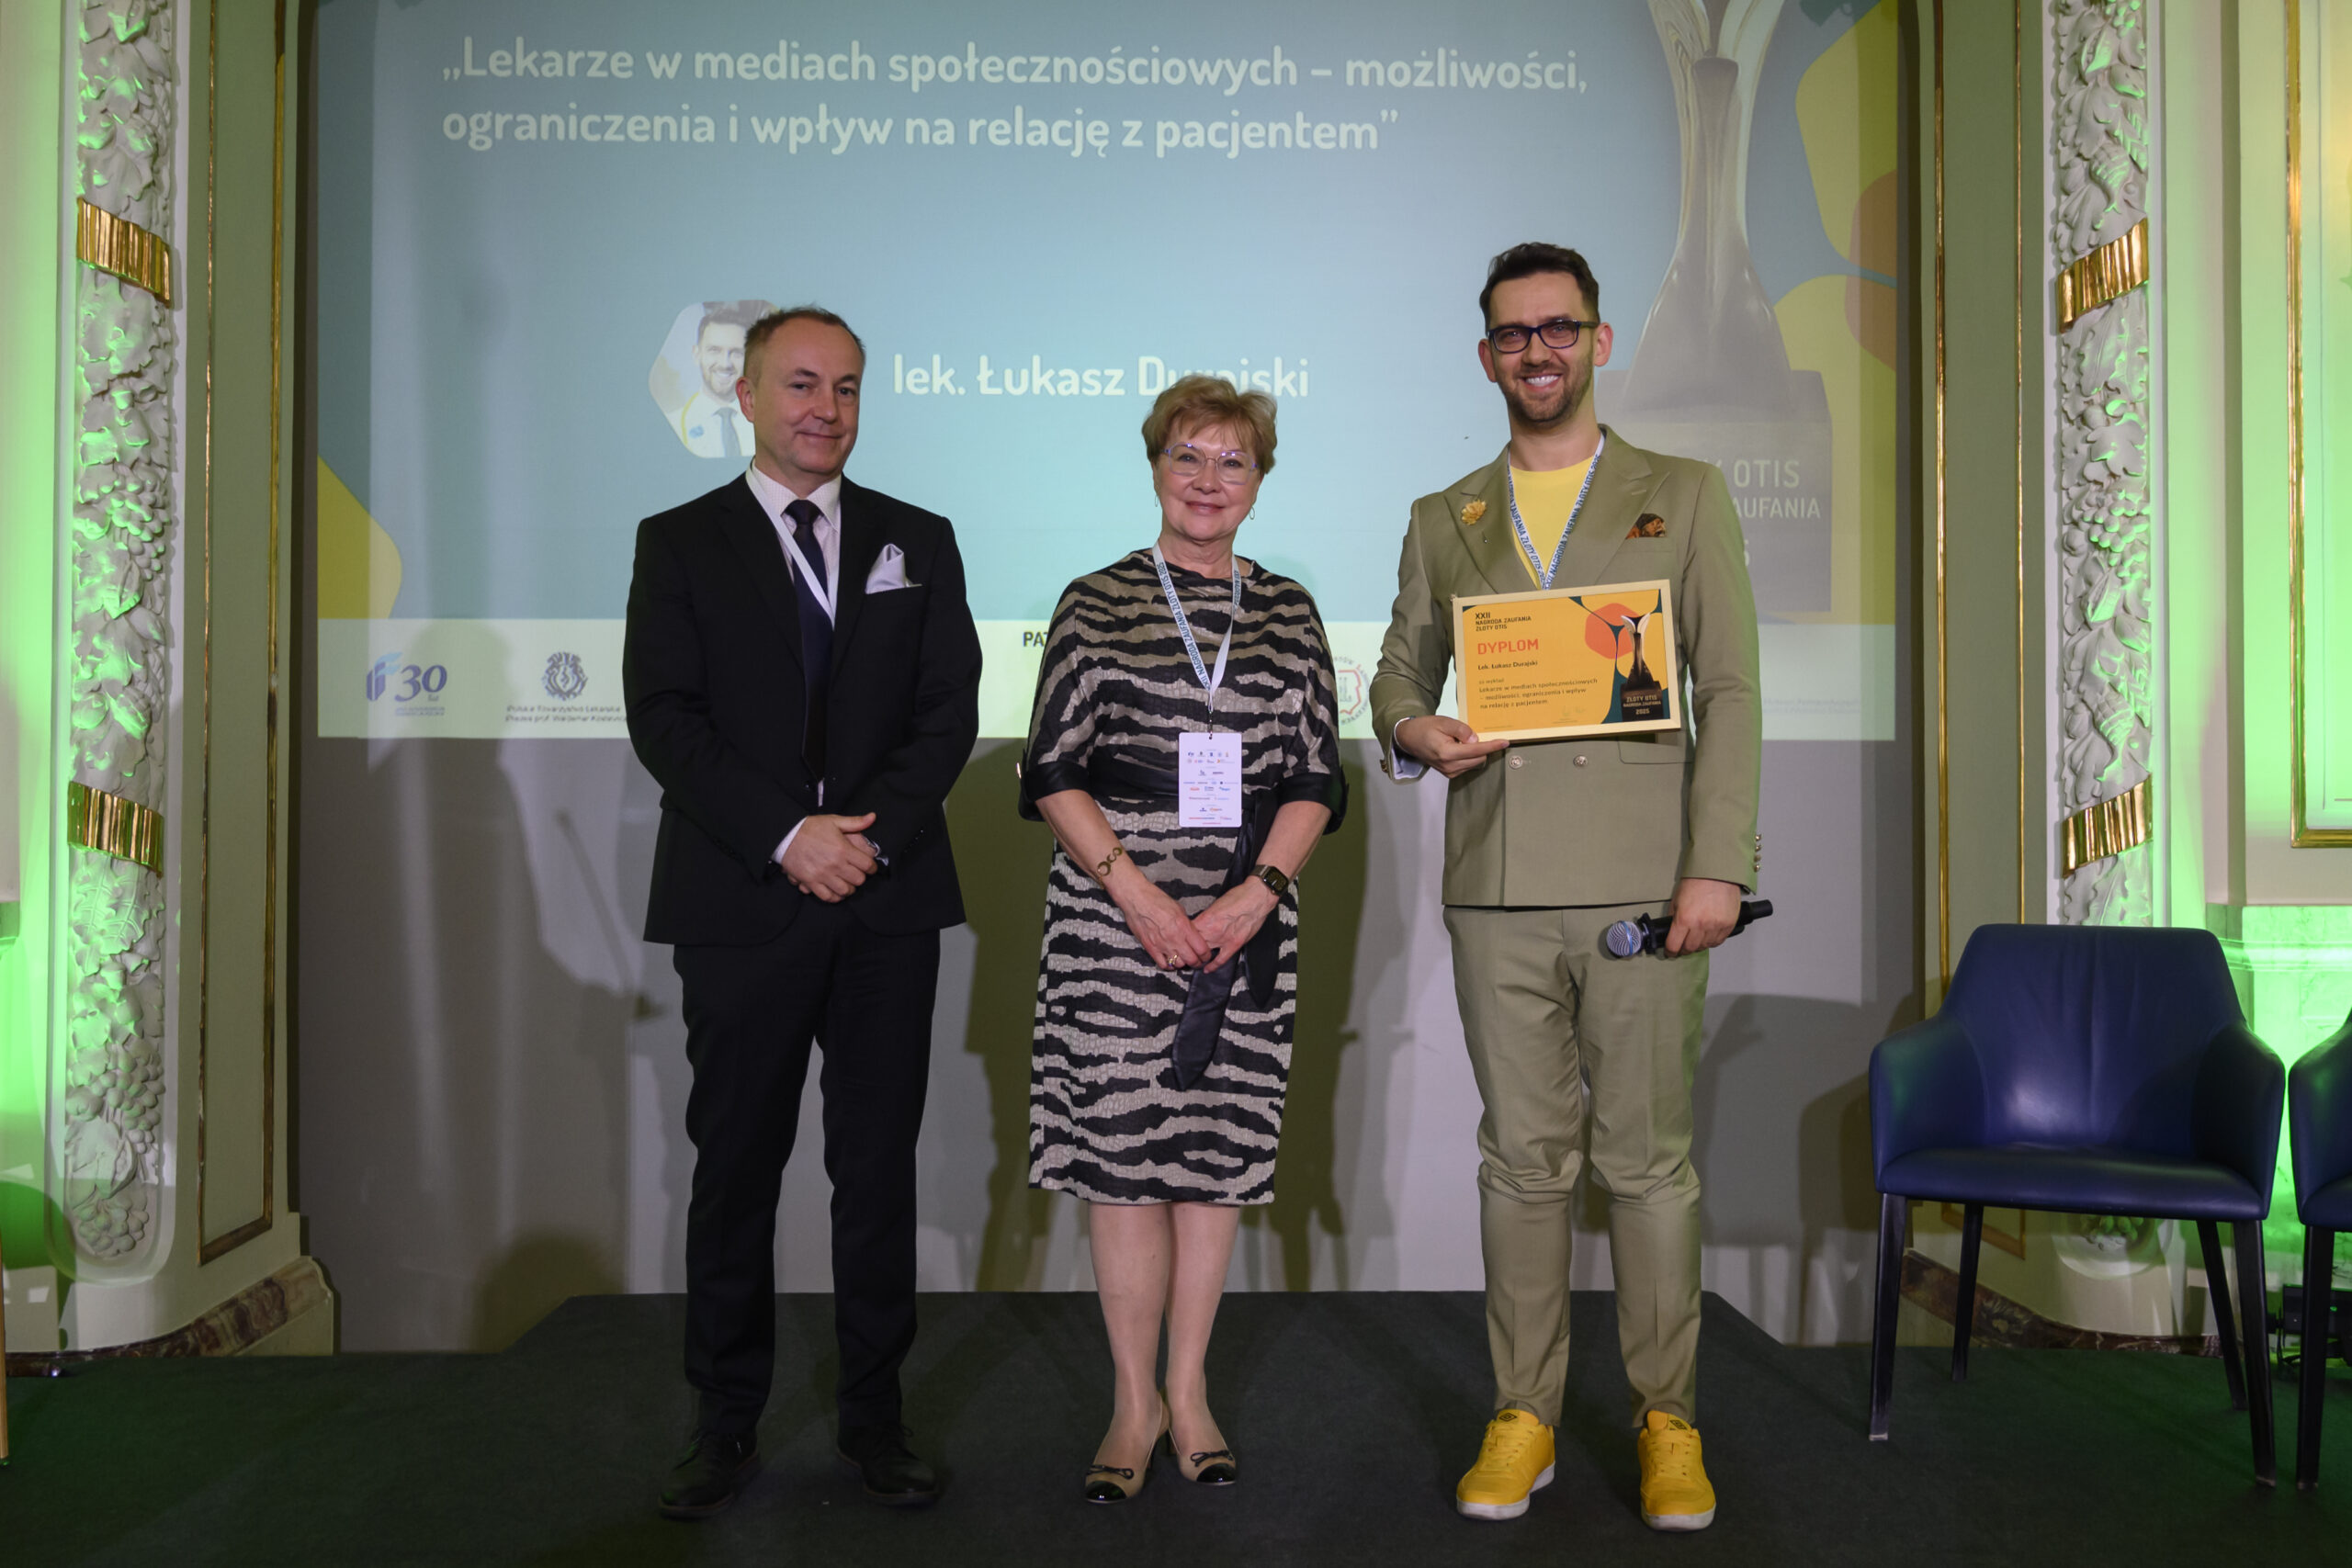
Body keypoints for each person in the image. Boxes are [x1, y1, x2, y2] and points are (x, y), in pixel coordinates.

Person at [1370, 243, 1761, 1531]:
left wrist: (1717, 863)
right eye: (1512, 334)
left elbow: (1730, 688)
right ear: (1485, 356)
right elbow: (1398, 673)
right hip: (1497, 884)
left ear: (1598, 340)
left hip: (1647, 886)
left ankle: (1667, 1417)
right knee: (1523, 1163)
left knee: (1646, 1166)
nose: (1535, 351)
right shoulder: (1445, 515)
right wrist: (1413, 727)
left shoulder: (1683, 493)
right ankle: (1523, 1412)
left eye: (1557, 328)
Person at [624, 304, 982, 1519]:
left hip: (885, 903)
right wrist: (790, 836)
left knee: (875, 1172)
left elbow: (946, 712)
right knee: (735, 1172)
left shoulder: (919, 538)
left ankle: (875, 1421)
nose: (825, 408)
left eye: (846, 387)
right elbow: (665, 717)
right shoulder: (679, 542)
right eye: (801, 384)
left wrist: (859, 840)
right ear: (747, 395)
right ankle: (722, 1423)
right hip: (743, 901)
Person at [1020, 375, 1346, 1504]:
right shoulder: (1094, 600)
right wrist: (1141, 899)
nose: (1209, 480)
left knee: (1212, 1162)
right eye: (1188, 457)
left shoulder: (1290, 612)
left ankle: (1190, 1390)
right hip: (1115, 927)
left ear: (1259, 480)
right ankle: (1133, 1403)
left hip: (1246, 925)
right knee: (1122, 1168)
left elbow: (1316, 778)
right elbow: (1050, 771)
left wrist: (1255, 896)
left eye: (1232, 461)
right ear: (1155, 467)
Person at [673, 302, 763, 458]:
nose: (725, 364)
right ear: (696, 354)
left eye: (736, 353)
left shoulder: (769, 421)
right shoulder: (675, 423)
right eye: (714, 350)